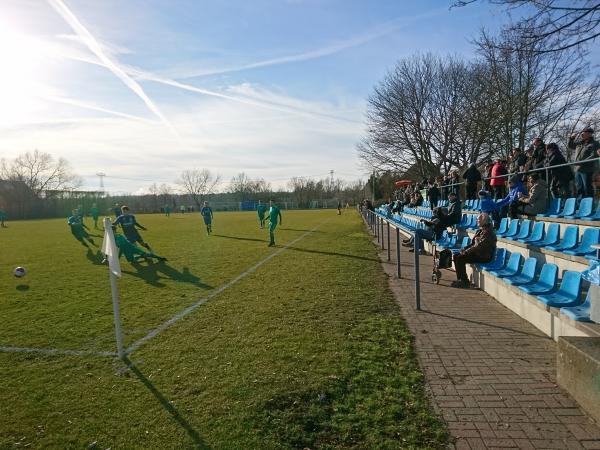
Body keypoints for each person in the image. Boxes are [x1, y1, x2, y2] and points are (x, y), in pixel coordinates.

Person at [452, 213, 497, 288]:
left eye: (479, 219)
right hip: (477, 253)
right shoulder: (480, 231)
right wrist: (465, 249)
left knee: (460, 258)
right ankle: (460, 279)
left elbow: (479, 246)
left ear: (485, 221)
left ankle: (464, 281)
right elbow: (473, 244)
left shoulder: (489, 232)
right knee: (456, 256)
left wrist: (466, 252)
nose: (477, 220)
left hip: (484, 256)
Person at [569, 127, 600, 199]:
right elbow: (570, 146)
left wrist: (581, 162)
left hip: (587, 169)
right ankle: (581, 205)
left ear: (589, 134)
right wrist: (571, 138)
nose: (582, 134)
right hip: (577, 169)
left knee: (587, 188)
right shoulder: (580, 143)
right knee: (579, 188)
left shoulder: (594, 143)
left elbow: (594, 155)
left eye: (584, 132)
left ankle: (589, 206)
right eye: (582, 132)